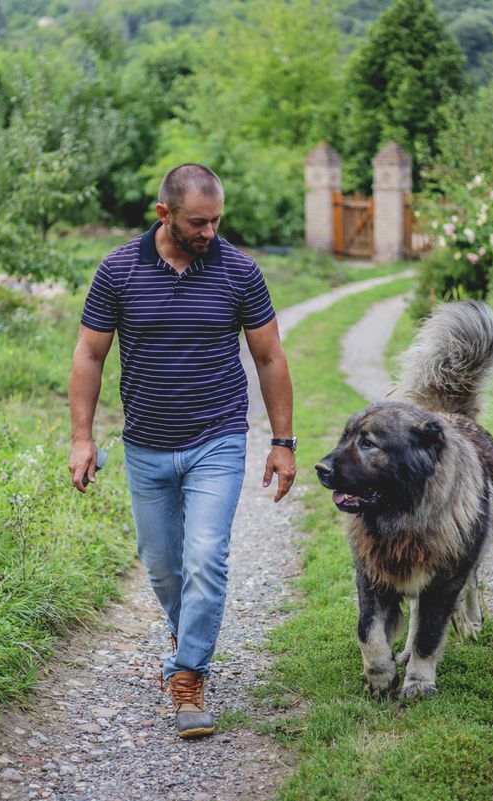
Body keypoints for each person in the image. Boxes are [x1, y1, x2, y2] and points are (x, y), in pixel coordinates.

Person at [67, 163, 297, 739]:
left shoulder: (239, 272)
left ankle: (189, 676)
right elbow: (89, 355)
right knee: (164, 566)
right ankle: (187, 635)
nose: (211, 233)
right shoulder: (118, 269)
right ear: (163, 214)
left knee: (205, 559)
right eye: (199, 222)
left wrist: (283, 442)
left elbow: (269, 357)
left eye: (217, 220)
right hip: (144, 445)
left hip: (216, 438)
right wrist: (81, 437)